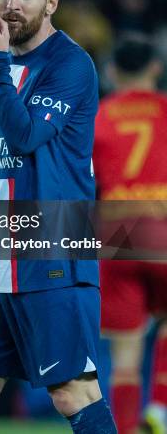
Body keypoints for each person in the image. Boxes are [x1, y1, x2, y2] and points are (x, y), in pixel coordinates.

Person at [0, 0, 117, 433]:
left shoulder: (69, 64)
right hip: (0, 249)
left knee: (73, 392)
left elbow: (24, 136)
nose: (12, 4)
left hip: (54, 246)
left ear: (52, 2)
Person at [94, 36, 167, 434]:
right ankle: (160, 406)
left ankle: (124, 430)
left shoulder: (100, 116)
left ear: (112, 72)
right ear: (155, 68)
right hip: (162, 228)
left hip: (116, 234)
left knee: (125, 353)